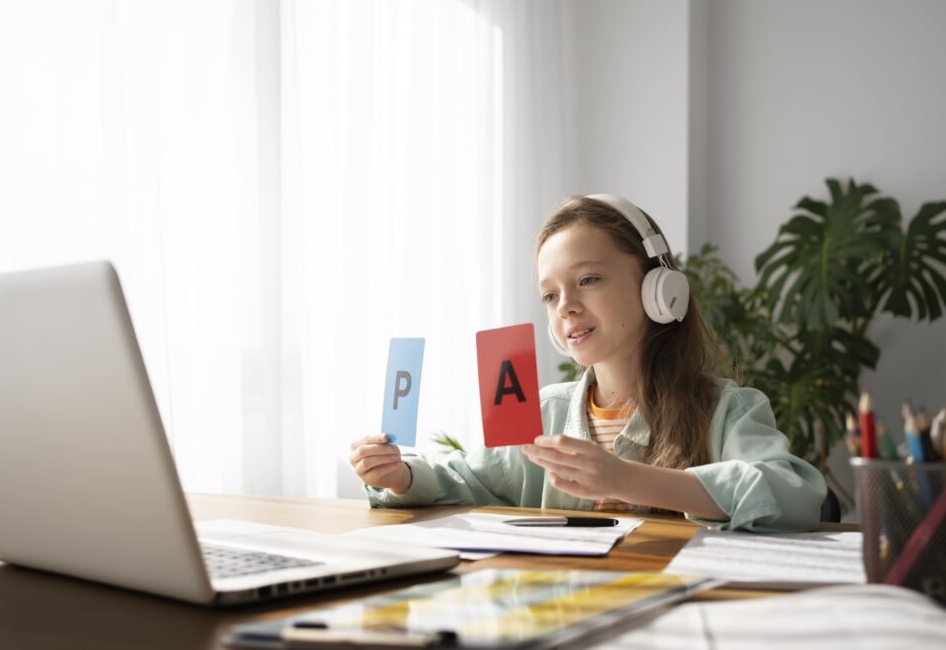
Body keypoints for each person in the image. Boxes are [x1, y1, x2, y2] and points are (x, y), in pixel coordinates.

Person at [349, 194, 826, 531]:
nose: (566, 306)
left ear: (658, 288)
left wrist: (626, 478)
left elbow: (793, 493)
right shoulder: (539, 414)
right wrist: (402, 476)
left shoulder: (728, 409)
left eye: (589, 279)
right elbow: (467, 479)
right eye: (550, 295)